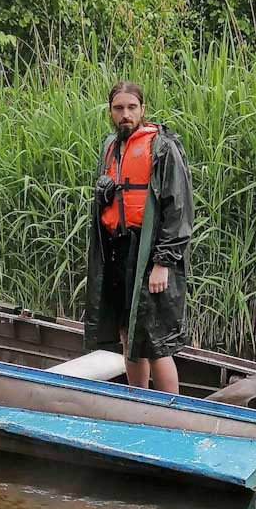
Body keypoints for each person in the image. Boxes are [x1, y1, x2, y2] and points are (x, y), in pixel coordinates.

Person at [84, 81, 193, 393]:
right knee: (127, 334)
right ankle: (137, 399)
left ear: (143, 110)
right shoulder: (111, 145)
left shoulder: (162, 148)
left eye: (132, 107)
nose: (125, 114)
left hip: (148, 254)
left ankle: (171, 411)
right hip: (118, 250)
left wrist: (163, 263)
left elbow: (179, 209)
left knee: (156, 341)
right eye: (119, 108)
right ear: (110, 112)